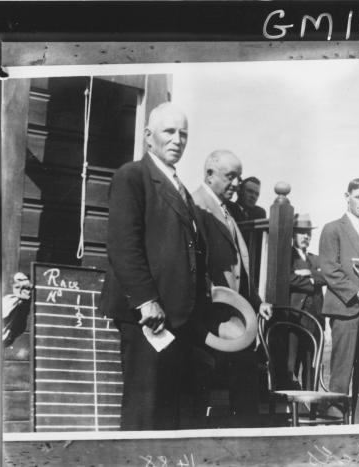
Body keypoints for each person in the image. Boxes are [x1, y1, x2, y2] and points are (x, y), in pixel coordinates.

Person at [100, 103, 211, 430]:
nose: (178, 140)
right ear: (149, 137)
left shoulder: (182, 190)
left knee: (168, 413)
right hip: (147, 316)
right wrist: (147, 300)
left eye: (184, 134)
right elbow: (122, 245)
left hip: (178, 318)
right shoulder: (132, 176)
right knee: (144, 411)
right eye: (169, 131)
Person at [192, 149, 273, 427]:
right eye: (231, 176)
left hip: (236, 315)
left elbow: (238, 264)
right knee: (203, 388)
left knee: (244, 381)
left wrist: (256, 300)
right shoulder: (197, 206)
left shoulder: (225, 209)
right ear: (210, 174)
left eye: (239, 177)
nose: (237, 184)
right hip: (214, 315)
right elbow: (195, 264)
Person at [319, 178, 359, 424]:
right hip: (345, 310)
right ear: (347, 196)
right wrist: (357, 292)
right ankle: (334, 424)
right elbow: (329, 269)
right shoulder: (332, 229)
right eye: (358, 197)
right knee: (341, 371)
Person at [284, 213, 326, 390]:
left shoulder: (315, 259)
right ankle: (290, 409)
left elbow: (325, 276)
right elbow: (287, 279)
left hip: (315, 318)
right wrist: (311, 280)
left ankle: (310, 409)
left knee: (311, 364)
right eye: (301, 232)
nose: (305, 237)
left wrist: (309, 275)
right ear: (293, 234)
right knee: (290, 363)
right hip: (295, 318)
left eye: (308, 233)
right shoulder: (287, 257)